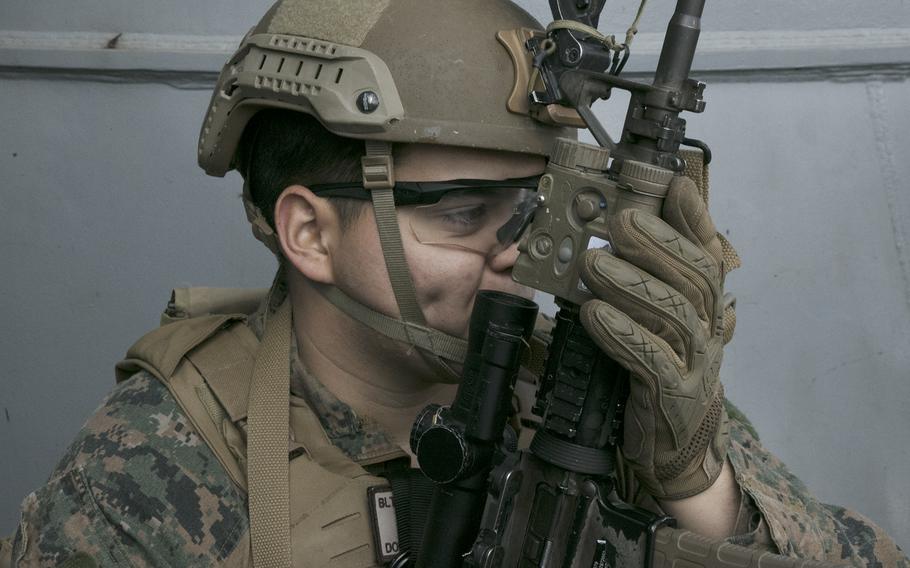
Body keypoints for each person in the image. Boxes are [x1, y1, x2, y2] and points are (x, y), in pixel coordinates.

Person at [3, 0, 907, 566]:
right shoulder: (156, 469)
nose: (518, 248)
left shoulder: (598, 390)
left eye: (534, 204)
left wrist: (698, 486)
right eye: (464, 210)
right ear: (310, 231)